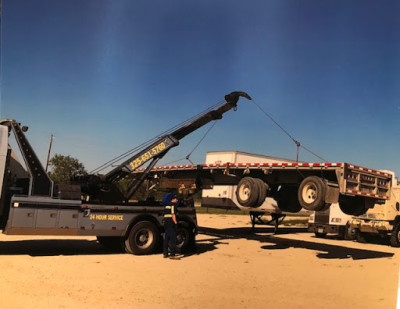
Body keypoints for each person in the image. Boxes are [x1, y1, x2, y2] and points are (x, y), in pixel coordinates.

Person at [162, 192, 180, 260]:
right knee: (173, 239)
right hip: (170, 222)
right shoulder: (173, 205)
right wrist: (175, 222)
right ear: (173, 199)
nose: (177, 200)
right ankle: (172, 254)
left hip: (166, 222)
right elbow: (173, 214)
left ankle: (165, 253)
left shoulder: (166, 206)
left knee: (166, 238)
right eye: (176, 199)